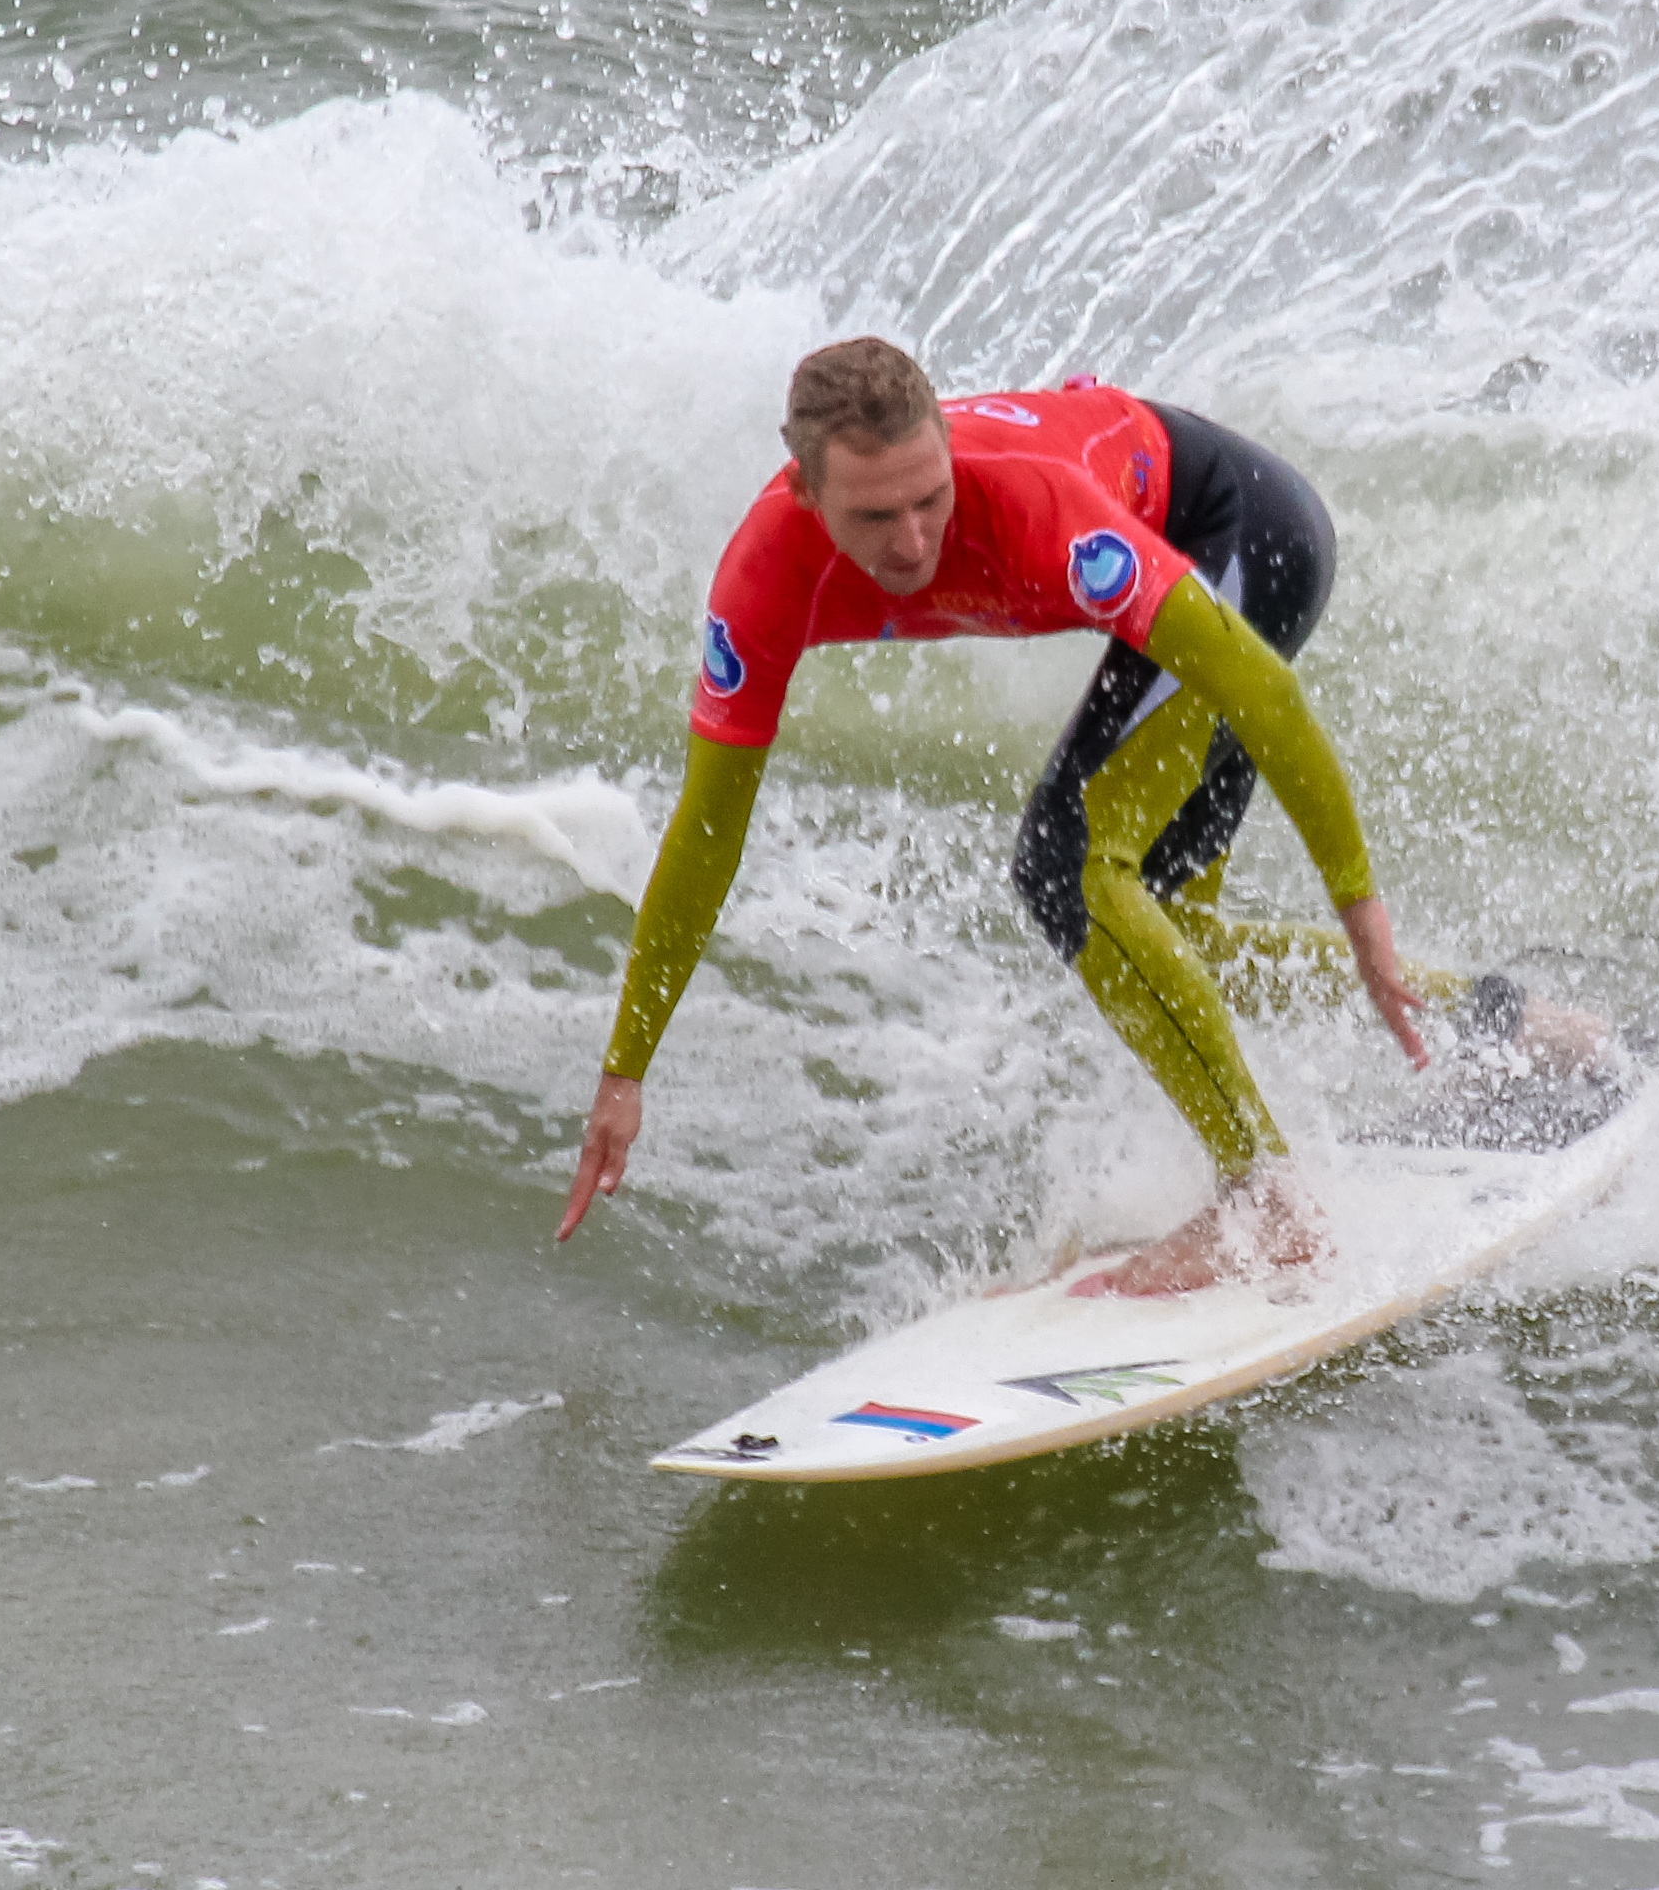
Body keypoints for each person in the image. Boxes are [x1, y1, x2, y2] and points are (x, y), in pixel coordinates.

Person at [552, 337, 1429, 1297]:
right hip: (1200, 554)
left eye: (933, 498)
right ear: (806, 494)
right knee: (1172, 936)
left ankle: (1265, 1199)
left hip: (1242, 536)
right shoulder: (763, 579)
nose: (916, 541)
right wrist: (625, 1072)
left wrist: (1357, 900)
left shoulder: (1035, 513)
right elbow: (707, 832)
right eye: (876, 515)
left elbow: (1263, 694)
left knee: (1072, 863)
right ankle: (1502, 1020)